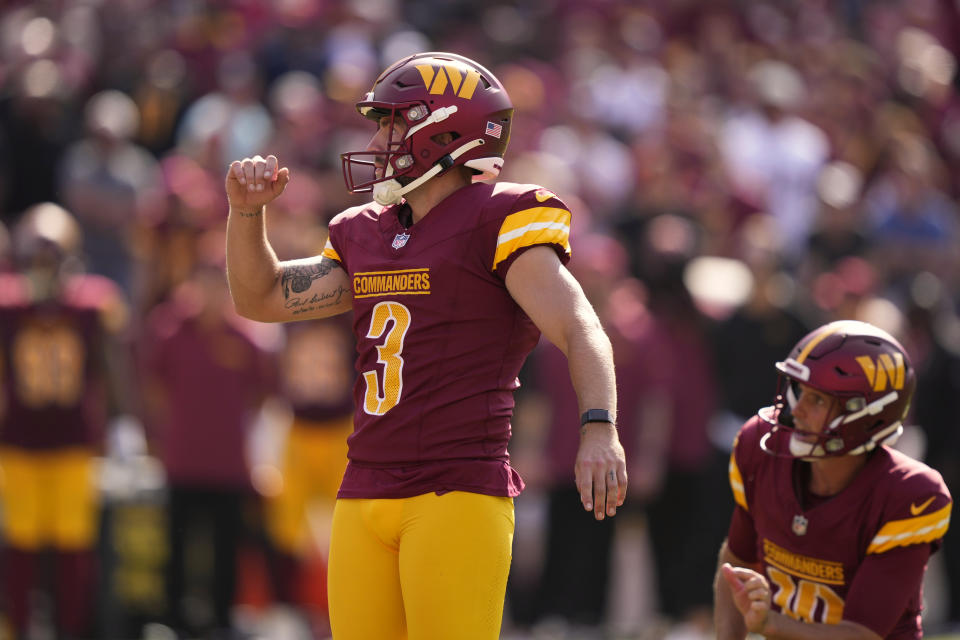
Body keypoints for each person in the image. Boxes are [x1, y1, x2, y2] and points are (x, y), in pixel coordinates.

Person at [224, 51, 627, 639]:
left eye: (392, 120)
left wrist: (599, 426)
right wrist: (245, 214)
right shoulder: (368, 232)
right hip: (362, 487)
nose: (379, 136)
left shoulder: (501, 218)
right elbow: (260, 298)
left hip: (455, 488)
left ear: (443, 128)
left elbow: (579, 328)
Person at [714, 319, 953, 640]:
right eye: (798, 392)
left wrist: (771, 624)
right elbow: (736, 561)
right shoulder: (760, 450)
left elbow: (862, 634)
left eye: (818, 400)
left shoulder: (910, 494)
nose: (796, 410)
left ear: (866, 414)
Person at [0, 202, 135, 639]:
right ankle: (20, 629)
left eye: (52, 255)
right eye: (36, 256)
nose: (44, 267)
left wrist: (121, 424)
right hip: (18, 444)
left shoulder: (93, 305)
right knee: (20, 548)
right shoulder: (7, 306)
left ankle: (72, 630)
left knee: (73, 549)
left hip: (74, 443)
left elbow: (111, 366)